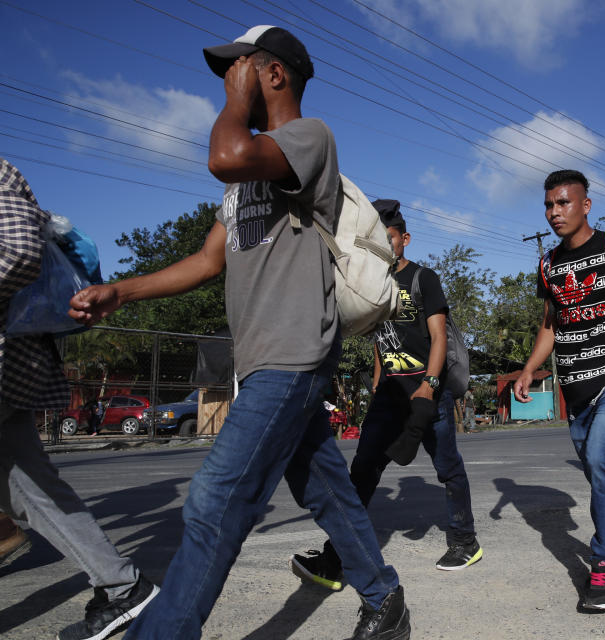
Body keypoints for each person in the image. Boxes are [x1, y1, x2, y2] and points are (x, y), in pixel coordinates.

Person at [68, 27, 408, 640]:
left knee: (213, 502)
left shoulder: (308, 138)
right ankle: (385, 600)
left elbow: (224, 153)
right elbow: (205, 261)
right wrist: (121, 291)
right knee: (328, 491)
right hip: (261, 361)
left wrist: (233, 105)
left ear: (273, 74)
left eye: (240, 69)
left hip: (294, 353)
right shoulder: (243, 181)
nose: (230, 81)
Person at [0, 157, 159, 640]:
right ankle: (122, 587)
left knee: (30, 484)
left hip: (8, 353)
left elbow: (19, 252)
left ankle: (123, 587)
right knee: (31, 485)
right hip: (14, 358)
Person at [291, 203, 482, 589]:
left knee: (447, 468)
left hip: (428, 391)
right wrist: (378, 383)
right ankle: (336, 560)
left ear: (404, 239)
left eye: (389, 239)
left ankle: (465, 541)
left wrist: (430, 384)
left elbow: (440, 335)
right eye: (376, 240)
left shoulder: (423, 278)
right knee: (361, 473)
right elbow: (380, 339)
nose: (382, 246)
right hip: (389, 394)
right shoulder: (370, 281)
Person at [513, 170, 605, 611]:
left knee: (600, 458)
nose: (554, 212)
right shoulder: (548, 264)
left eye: (563, 203)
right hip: (575, 385)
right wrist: (528, 369)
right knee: (601, 472)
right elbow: (550, 325)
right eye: (548, 205)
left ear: (586, 205)